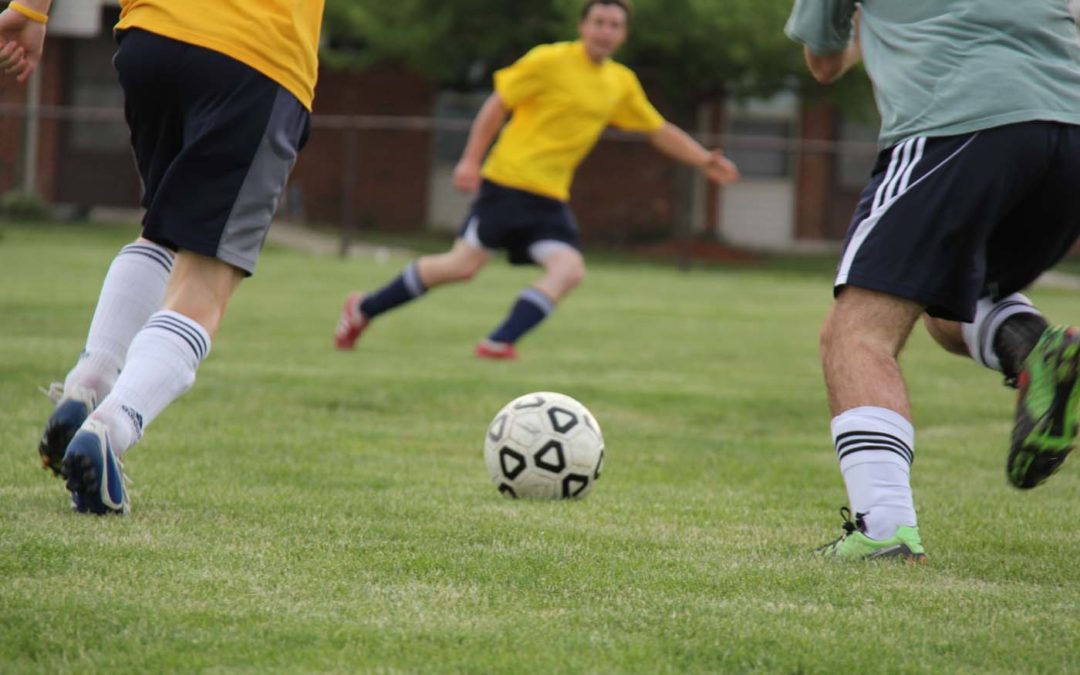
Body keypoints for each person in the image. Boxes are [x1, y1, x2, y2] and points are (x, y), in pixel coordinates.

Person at [0, 0, 323, 514]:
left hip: (151, 38)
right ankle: (110, 427)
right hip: (255, 51)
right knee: (206, 281)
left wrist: (31, 10)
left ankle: (89, 382)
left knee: (163, 231)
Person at [786, 0, 1080, 561]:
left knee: (856, 333)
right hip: (1068, 130)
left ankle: (885, 530)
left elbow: (823, 61)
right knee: (954, 301)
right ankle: (1035, 352)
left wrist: (866, 25)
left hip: (960, 124)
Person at [334, 0, 739, 360]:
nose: (605, 31)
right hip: (507, 184)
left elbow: (657, 128)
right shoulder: (548, 61)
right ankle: (364, 308)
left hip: (549, 199)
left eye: (614, 25)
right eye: (598, 21)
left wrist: (703, 158)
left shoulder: (619, 83)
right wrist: (470, 161)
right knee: (461, 266)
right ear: (582, 26)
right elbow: (497, 105)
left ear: (624, 34)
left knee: (569, 269)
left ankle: (498, 341)